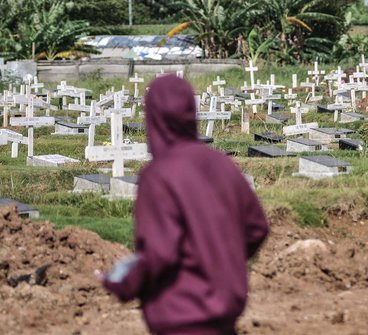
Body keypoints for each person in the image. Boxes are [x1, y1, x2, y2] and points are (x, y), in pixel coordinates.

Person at [101, 75, 269, 335]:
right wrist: (221, 260)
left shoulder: (159, 175)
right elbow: (256, 227)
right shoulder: (222, 164)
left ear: (153, 118)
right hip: (224, 316)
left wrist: (126, 283)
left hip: (181, 315)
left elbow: (161, 251)